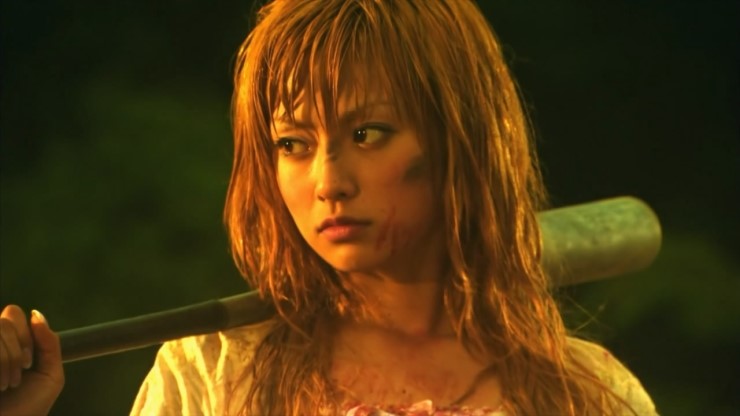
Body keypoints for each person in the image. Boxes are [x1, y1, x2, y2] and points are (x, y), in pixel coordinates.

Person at [0, 0, 658, 414]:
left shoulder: (586, 395)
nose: (328, 181)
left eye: (367, 133)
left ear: (458, 140)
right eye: (293, 143)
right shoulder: (213, 374)